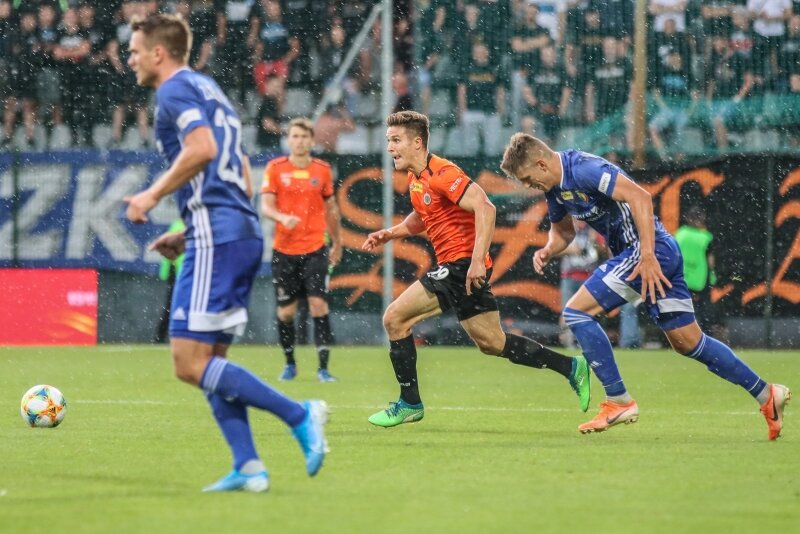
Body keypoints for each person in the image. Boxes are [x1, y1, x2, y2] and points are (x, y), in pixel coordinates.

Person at [123, 13, 328, 493]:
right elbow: (237, 165)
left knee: (188, 362)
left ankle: (300, 414)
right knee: (210, 359)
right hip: (230, 230)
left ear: (158, 53)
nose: (129, 59)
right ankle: (249, 466)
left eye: (134, 51)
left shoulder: (173, 90)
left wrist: (151, 196)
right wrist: (191, 231)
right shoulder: (208, 88)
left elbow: (203, 149)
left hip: (217, 234)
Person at [499, 133, 791, 439]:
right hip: (653, 253)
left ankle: (618, 400)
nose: (528, 186)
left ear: (541, 164)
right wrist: (549, 249)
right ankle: (766, 393)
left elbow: (640, 197)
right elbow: (563, 232)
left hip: (646, 252)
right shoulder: (554, 187)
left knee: (576, 312)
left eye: (528, 179)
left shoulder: (583, 169)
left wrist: (648, 255)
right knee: (688, 342)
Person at [361, 110, 590, 428]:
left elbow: (485, 207)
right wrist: (390, 233)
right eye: (389, 141)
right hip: (460, 268)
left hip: (460, 266)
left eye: (396, 140)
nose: (390, 147)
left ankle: (409, 403)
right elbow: (422, 216)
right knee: (493, 343)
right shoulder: (417, 179)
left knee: (394, 318)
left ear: (417, 142)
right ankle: (571, 368)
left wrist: (476, 261)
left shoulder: (443, 173)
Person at [260, 117, 342, 383]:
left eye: (304, 136)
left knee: (318, 305)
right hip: (284, 251)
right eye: (295, 136)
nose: (300, 141)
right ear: (288, 140)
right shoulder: (275, 168)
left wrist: (337, 242)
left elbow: (331, 209)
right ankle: (290, 364)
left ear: (312, 140)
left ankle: (323, 369)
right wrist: (282, 217)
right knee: (286, 312)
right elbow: (266, 206)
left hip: (315, 248)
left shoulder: (322, 170)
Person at [674, 206, 717, 333]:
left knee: (680, 309)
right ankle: (704, 335)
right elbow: (710, 261)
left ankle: (679, 335)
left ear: (688, 218)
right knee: (703, 312)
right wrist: (712, 275)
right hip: (700, 280)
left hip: (681, 278)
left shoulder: (680, 234)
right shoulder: (706, 237)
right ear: (702, 219)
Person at [154, 218, 186, 344]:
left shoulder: (187, 223)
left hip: (186, 273)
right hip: (178, 274)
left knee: (175, 306)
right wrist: (165, 272)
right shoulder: (178, 224)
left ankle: (182, 336)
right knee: (171, 306)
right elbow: (168, 252)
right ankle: (160, 337)